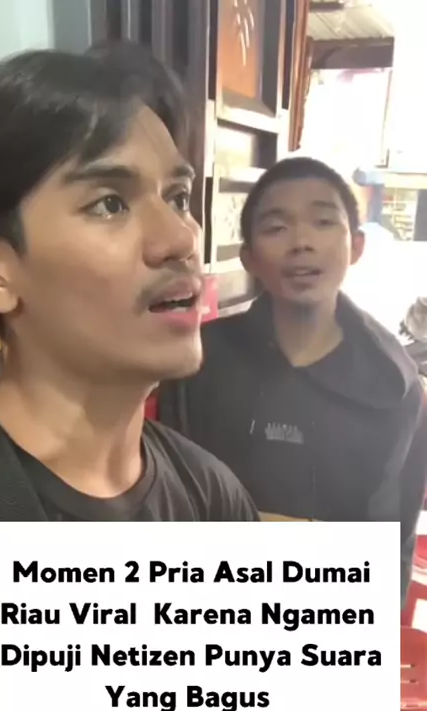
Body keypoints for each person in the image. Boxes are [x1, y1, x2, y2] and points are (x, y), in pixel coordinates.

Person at [0, 47, 371, 711]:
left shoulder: (207, 492)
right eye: (109, 202)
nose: (180, 237)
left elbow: (287, 693)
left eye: (177, 196)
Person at [158, 156, 427, 609]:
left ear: (356, 246)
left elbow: (390, 545)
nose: (302, 242)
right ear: (248, 257)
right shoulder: (197, 361)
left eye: (323, 222)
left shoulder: (393, 385)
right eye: (277, 228)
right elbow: (169, 507)